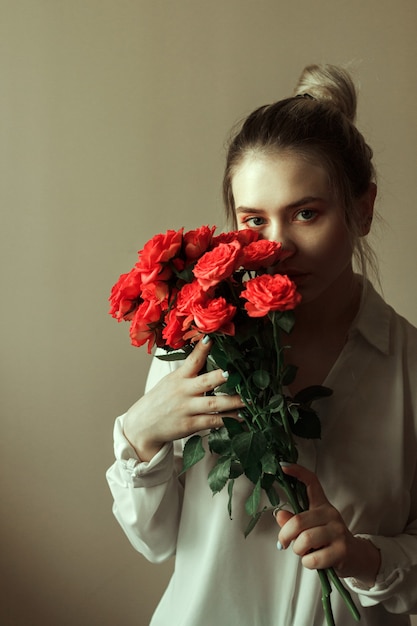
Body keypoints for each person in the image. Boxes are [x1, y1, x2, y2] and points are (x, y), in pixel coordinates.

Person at [106, 64, 417, 626]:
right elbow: (154, 542)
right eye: (254, 219)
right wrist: (139, 436)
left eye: (305, 213)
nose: (277, 246)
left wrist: (364, 557)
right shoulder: (202, 341)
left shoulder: (410, 367)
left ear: (362, 208)